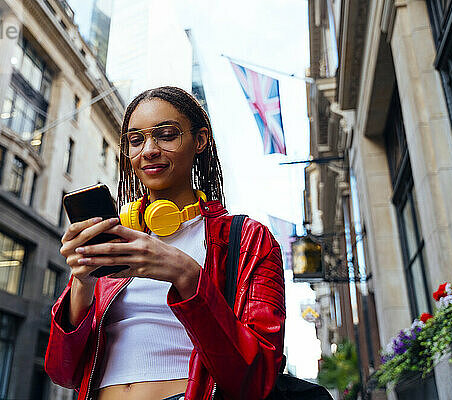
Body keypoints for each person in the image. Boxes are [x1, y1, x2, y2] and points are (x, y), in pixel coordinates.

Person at [45, 86, 285, 400]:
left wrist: (187, 277)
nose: (148, 150)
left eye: (166, 135)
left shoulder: (248, 238)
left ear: (200, 141)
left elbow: (258, 376)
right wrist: (82, 282)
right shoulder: (115, 239)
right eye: (135, 140)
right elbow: (63, 373)